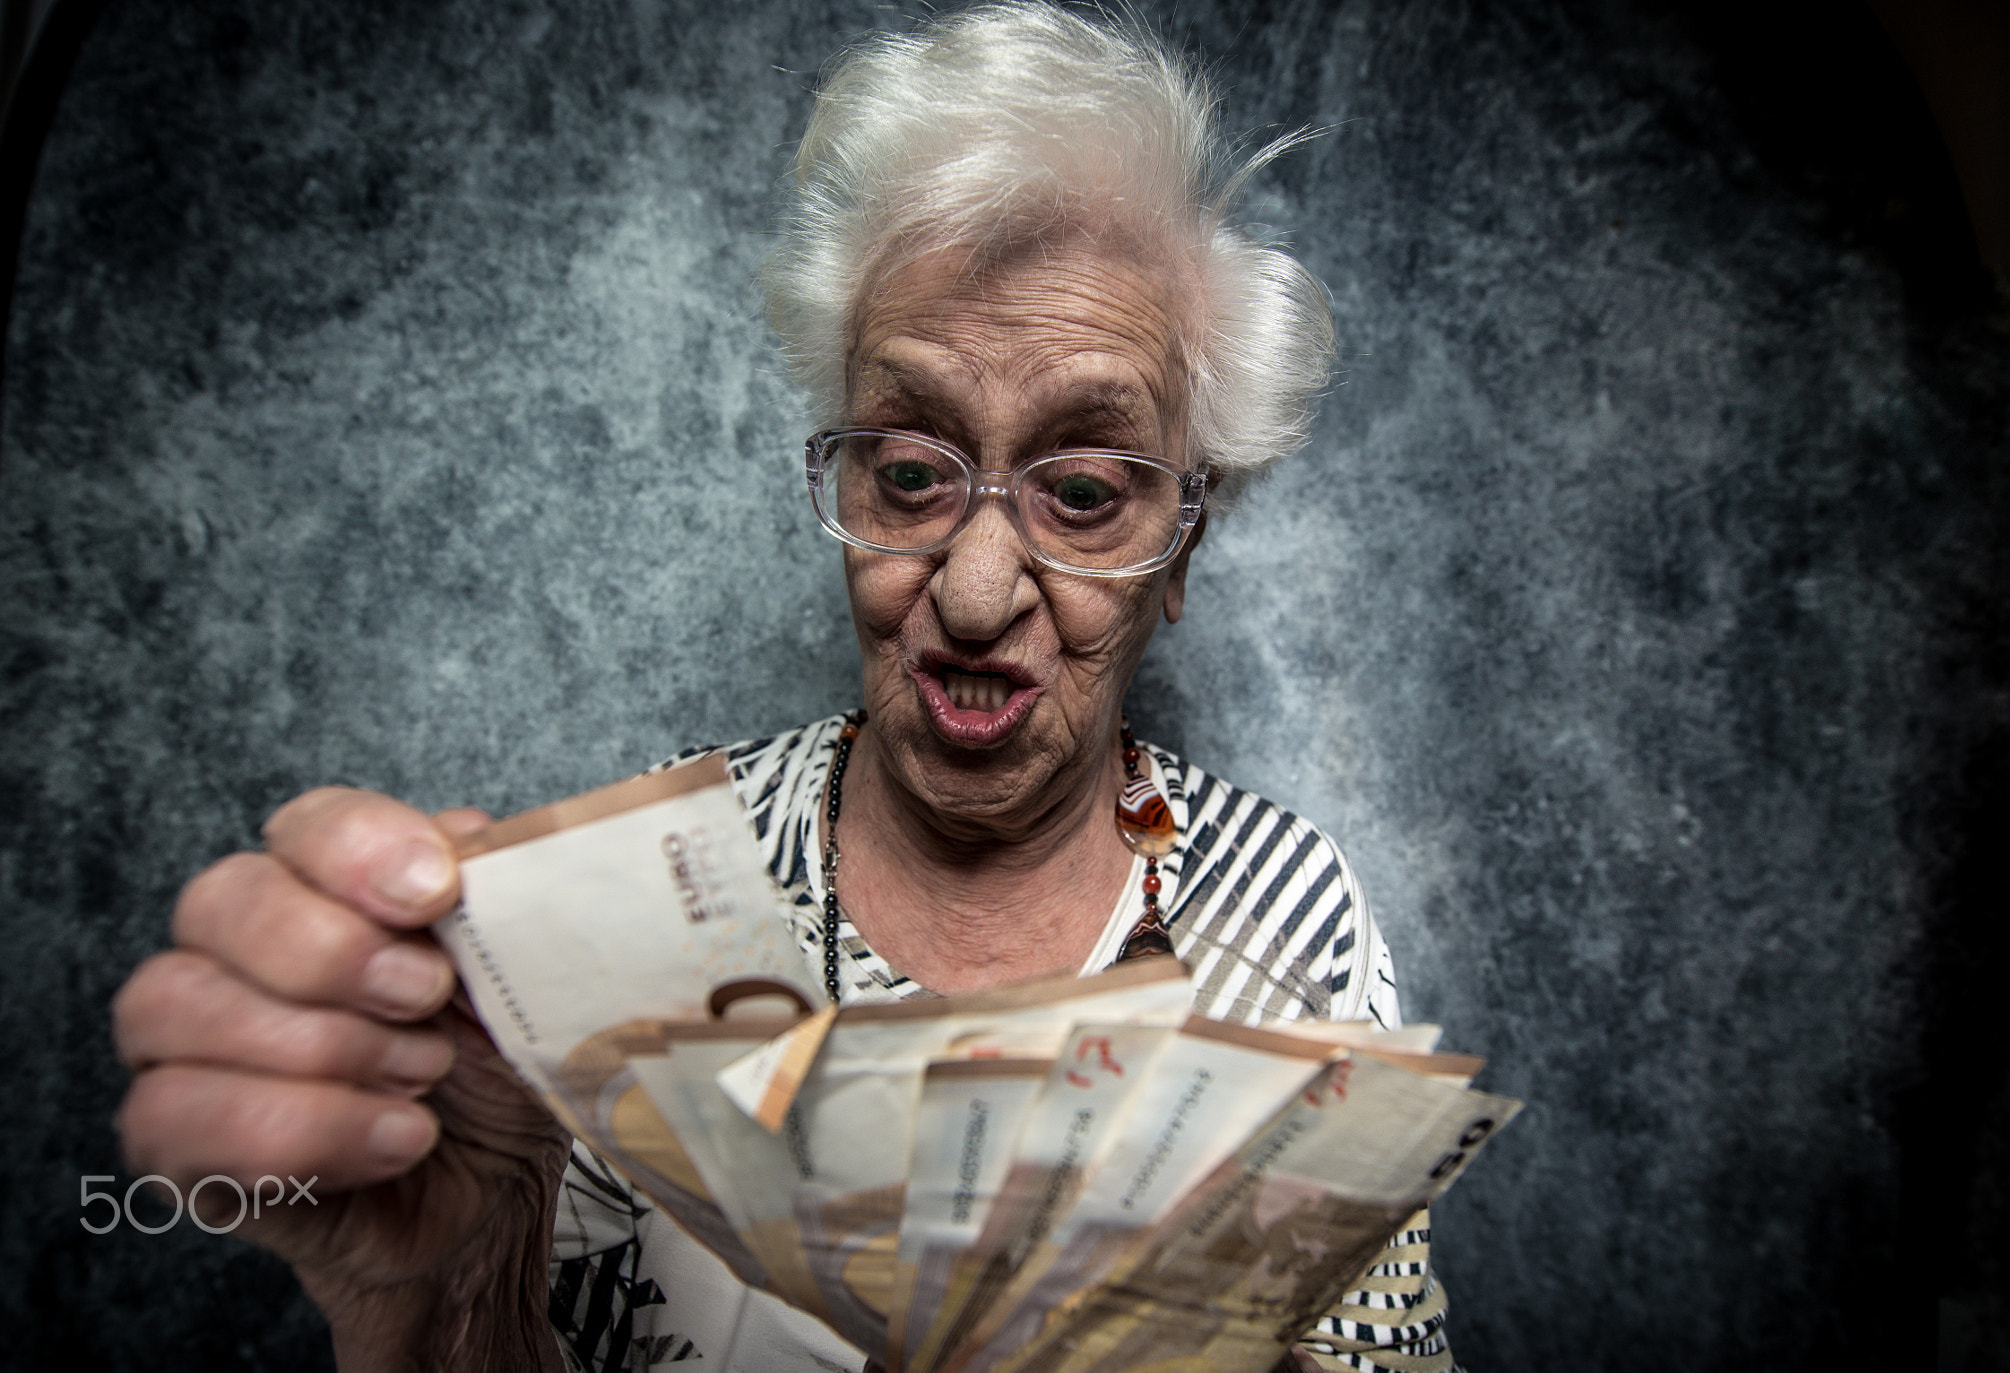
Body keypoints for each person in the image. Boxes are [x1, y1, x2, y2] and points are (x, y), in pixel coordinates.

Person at [110, 4, 1454, 1370]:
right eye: (914, 471)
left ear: (1180, 548)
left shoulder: (1299, 929)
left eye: (1088, 491)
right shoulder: (642, 885)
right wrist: (430, 1303)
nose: (978, 592)